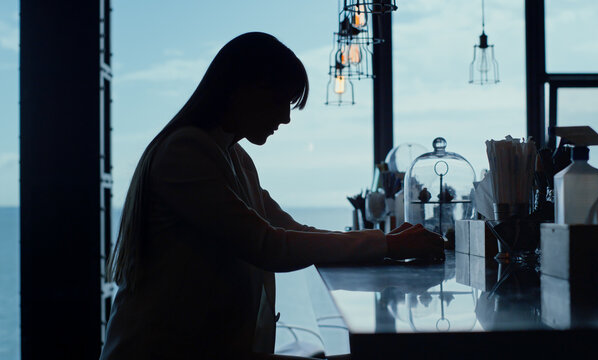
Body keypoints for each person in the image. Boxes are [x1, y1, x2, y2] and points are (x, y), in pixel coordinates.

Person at [100, 32, 444, 360]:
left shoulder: (232, 156)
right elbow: (268, 245)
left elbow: (288, 229)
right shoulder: (186, 152)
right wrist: (385, 245)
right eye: (282, 100)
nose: (286, 117)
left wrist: (383, 242)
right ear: (244, 91)